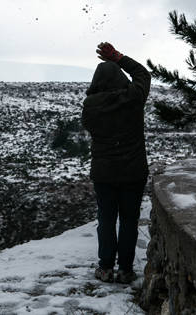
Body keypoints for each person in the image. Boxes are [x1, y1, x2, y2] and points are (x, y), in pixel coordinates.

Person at [82, 42, 151, 284]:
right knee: (129, 220)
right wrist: (119, 57)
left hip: (104, 173)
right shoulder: (133, 98)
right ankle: (125, 270)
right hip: (133, 171)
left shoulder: (90, 107)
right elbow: (143, 74)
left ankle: (105, 267)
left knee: (107, 219)